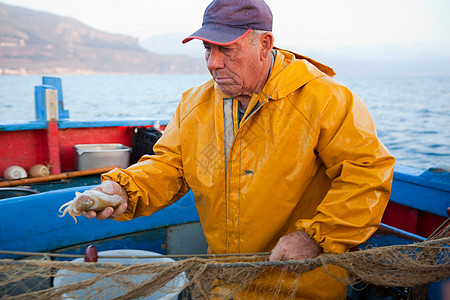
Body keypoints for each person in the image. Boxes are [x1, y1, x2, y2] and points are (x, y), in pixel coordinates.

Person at [84, 0, 395, 298]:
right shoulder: (195, 103)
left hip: (300, 287)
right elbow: (170, 165)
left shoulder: (326, 99)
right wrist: (125, 188)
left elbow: (367, 173)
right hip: (223, 282)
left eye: (227, 49)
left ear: (264, 44)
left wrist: (314, 236)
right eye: (208, 48)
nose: (213, 63)